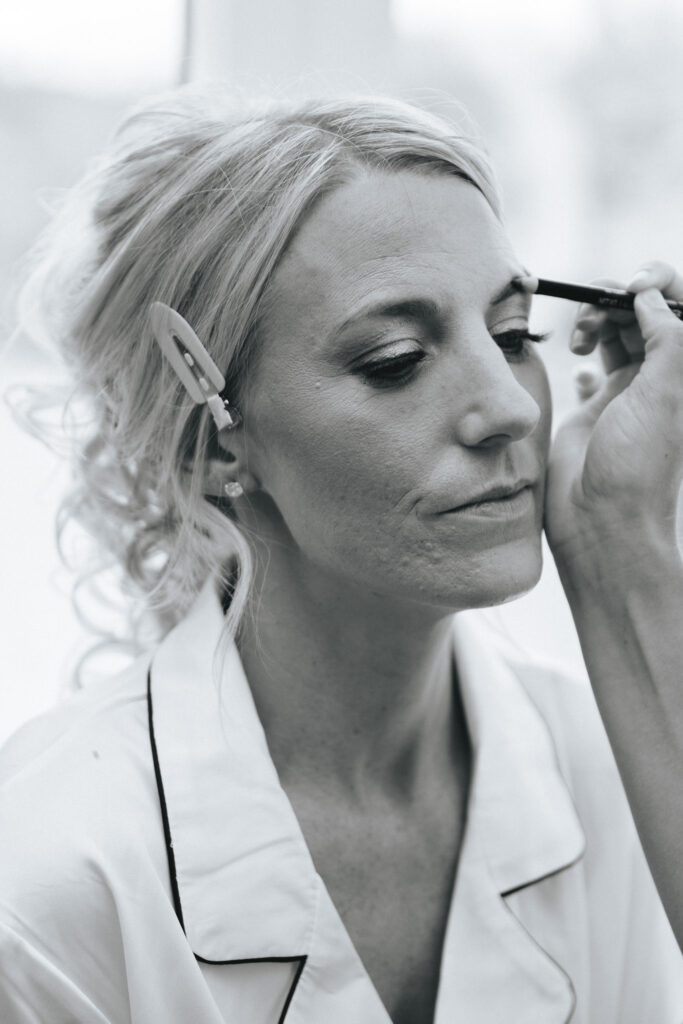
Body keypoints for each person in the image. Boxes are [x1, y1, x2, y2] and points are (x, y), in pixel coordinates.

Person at [0, 87, 681, 1024]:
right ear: (213, 443)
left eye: (512, 334)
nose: (514, 407)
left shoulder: (628, 765)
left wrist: (619, 545)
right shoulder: (44, 888)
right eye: (396, 359)